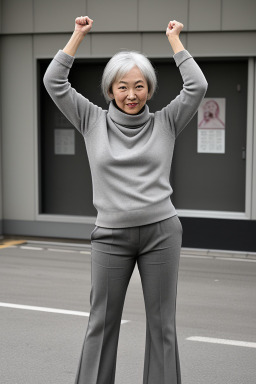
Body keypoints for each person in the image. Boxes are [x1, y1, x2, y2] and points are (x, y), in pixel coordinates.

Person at [43, 16, 208, 384]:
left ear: (149, 89)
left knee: (163, 326)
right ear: (110, 90)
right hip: (110, 236)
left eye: (138, 86)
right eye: (122, 86)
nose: (131, 94)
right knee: (101, 323)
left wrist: (175, 41)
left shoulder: (166, 122)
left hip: (162, 234)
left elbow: (197, 86)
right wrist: (77, 36)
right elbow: (54, 81)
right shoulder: (91, 120)